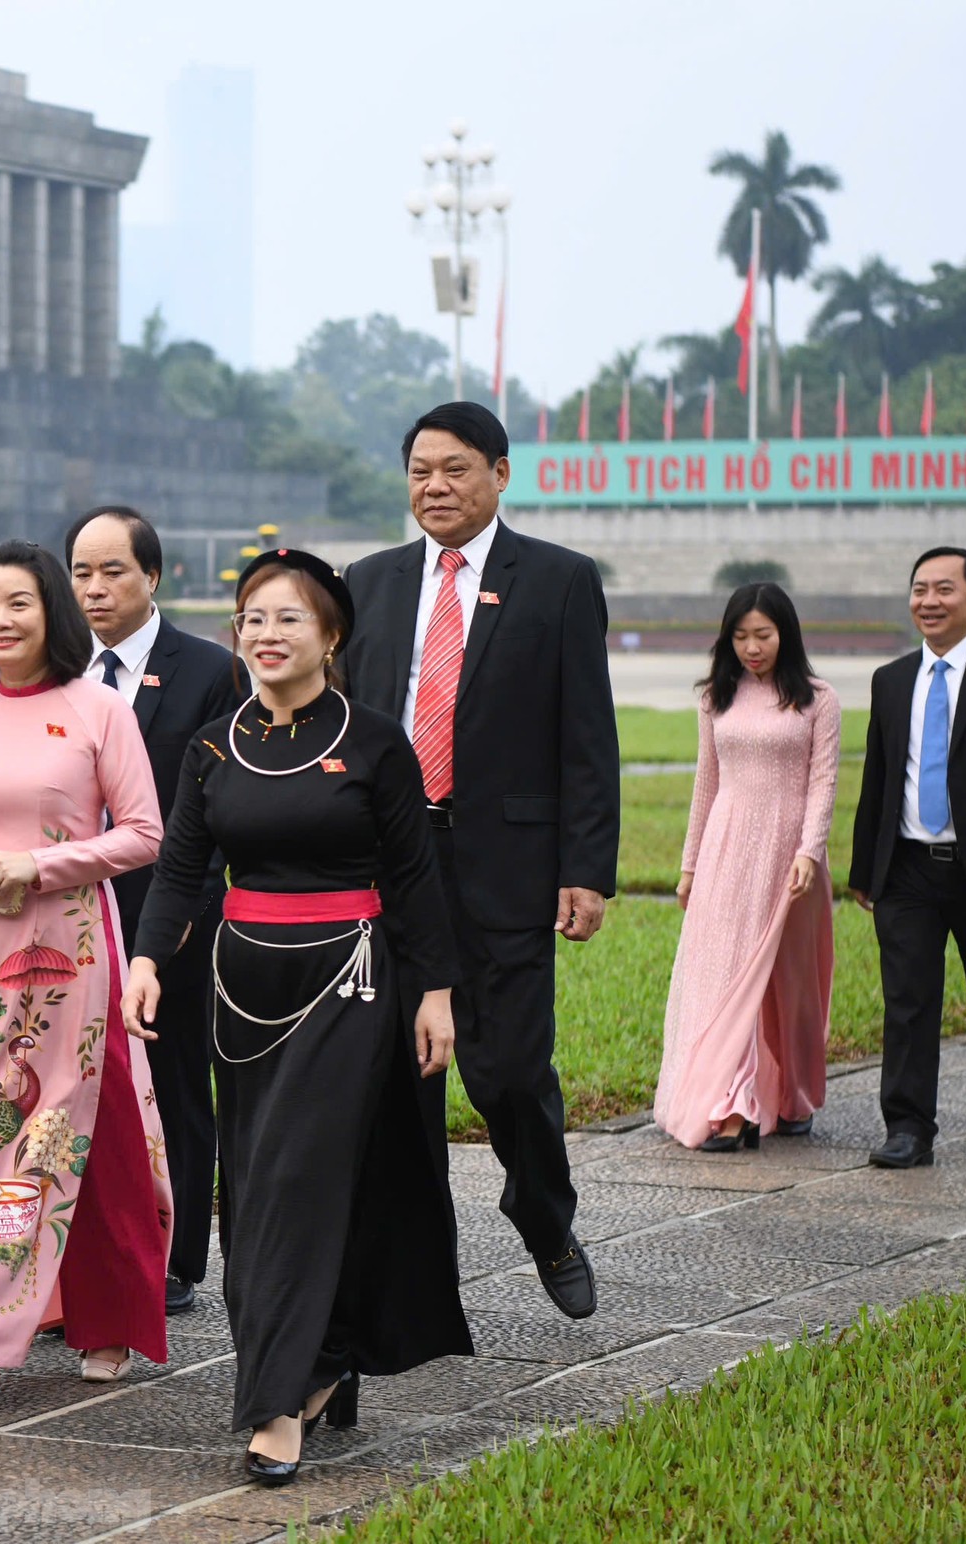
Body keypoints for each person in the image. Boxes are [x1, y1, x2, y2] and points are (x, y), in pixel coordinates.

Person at [122, 548, 469, 1487]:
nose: (266, 636)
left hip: (352, 985)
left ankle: (280, 1396)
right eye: (253, 619)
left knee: (296, 1183)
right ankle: (322, 1359)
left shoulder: (374, 741)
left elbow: (412, 878)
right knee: (258, 1185)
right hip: (245, 992)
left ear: (332, 636)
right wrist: (148, 958)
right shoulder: (211, 745)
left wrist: (435, 993)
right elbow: (184, 870)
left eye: (288, 620)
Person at [343, 402, 619, 1321]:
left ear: (501, 474)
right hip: (393, 862)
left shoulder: (558, 580)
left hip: (505, 863)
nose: (434, 486)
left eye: (455, 469)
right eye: (420, 469)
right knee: (398, 1085)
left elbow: (587, 735)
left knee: (507, 1073)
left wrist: (587, 868)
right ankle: (413, 1281)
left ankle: (545, 1217)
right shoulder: (369, 582)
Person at [0, 540, 170, 1420]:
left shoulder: (98, 710)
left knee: (59, 1126)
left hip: (67, 950)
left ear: (51, 610)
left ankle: (102, 1313)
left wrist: (43, 865)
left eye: (17, 603)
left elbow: (142, 833)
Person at [66, 504, 245, 1315]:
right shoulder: (61, 669)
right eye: (80, 574)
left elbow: (222, 802)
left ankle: (178, 1259)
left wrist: (191, 906)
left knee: (174, 1081)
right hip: (73, 908)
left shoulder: (208, 668)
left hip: (171, 916)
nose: (95, 590)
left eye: (113, 572)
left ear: (154, 577)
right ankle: (81, 1248)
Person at [656, 585, 839, 1151]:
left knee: (790, 985)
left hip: (790, 857)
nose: (751, 648)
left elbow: (823, 782)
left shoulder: (818, 698)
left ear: (786, 633)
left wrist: (809, 850)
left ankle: (791, 1098)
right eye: (740, 637)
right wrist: (689, 866)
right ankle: (730, 1107)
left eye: (762, 634)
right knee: (726, 977)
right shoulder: (718, 696)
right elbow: (705, 784)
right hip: (727, 851)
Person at [851, 547, 966, 1168]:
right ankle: (909, 1127)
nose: (929, 602)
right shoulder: (891, 680)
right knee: (908, 1000)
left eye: (944, 589)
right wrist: (865, 870)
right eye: (919, 590)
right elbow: (879, 781)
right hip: (908, 868)